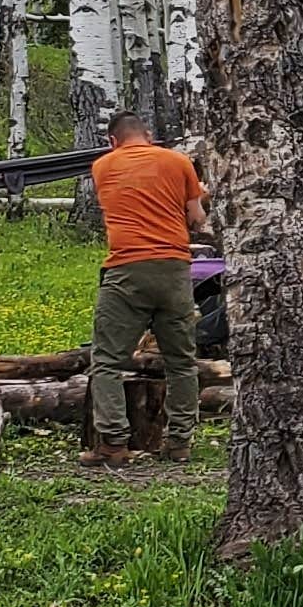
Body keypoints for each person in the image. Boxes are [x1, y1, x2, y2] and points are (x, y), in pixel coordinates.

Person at [82, 109, 209, 466]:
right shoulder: (179, 161)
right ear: (149, 135)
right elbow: (196, 219)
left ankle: (113, 443)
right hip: (174, 269)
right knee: (181, 361)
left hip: (126, 269)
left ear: (112, 141)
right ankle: (179, 442)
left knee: (107, 360)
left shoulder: (102, 167)